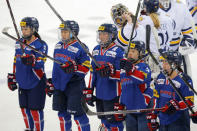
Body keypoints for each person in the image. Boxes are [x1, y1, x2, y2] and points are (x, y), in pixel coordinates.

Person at [7, 17, 48, 131]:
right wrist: (13, 76)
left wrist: (32, 61)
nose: (24, 31)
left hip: (36, 81)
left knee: (35, 110)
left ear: (34, 30)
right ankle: (29, 129)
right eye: (22, 29)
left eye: (26, 29)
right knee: (24, 109)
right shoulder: (18, 42)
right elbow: (16, 60)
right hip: (22, 80)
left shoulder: (41, 44)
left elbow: (41, 62)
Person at [83, 23, 124, 131]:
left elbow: (123, 75)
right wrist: (90, 90)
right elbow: (92, 72)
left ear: (112, 36)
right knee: (104, 120)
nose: (101, 36)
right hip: (100, 93)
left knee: (114, 122)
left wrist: (111, 71)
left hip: (113, 94)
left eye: (104, 34)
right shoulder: (96, 49)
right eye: (100, 34)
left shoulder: (118, 51)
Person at [51, 20, 91, 131]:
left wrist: (74, 67)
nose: (63, 34)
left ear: (74, 33)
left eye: (66, 32)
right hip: (59, 85)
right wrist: (52, 81)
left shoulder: (81, 47)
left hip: (75, 86)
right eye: (62, 32)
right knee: (62, 115)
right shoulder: (58, 45)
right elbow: (56, 67)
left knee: (78, 115)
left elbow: (86, 68)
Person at [147, 50, 194, 131]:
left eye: (166, 62)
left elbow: (190, 102)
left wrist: (177, 105)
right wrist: (153, 114)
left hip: (179, 122)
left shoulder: (185, 79)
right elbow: (156, 97)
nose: (163, 65)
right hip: (163, 121)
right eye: (163, 62)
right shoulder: (161, 77)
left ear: (175, 64)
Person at [120, 41, 153, 131]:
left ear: (141, 53)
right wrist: (121, 104)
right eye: (129, 51)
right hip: (130, 109)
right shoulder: (124, 69)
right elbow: (124, 88)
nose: (130, 53)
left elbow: (141, 79)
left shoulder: (144, 66)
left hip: (143, 107)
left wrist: (131, 69)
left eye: (133, 51)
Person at [159, 0, 196, 76]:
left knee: (182, 82)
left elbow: (189, 33)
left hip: (176, 55)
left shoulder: (181, 7)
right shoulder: (149, 5)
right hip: (156, 55)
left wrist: (185, 46)